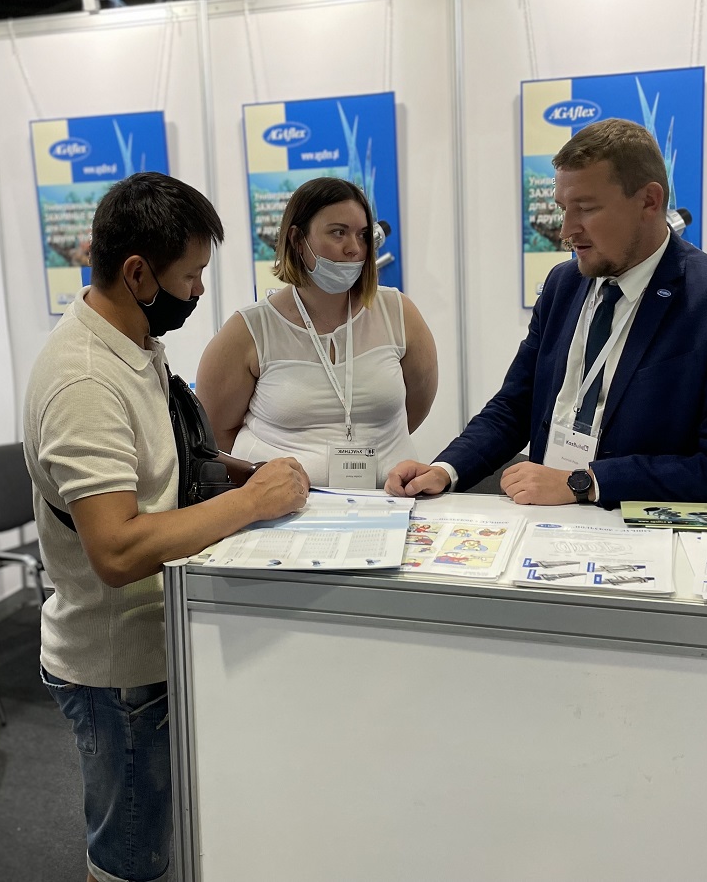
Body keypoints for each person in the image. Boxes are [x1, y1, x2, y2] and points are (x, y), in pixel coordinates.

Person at [23, 172, 309, 882]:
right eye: (191, 276)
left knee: (165, 840)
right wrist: (252, 503)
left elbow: (153, 467)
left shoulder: (132, 343)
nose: (199, 291)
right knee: (132, 860)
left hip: (155, 643)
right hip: (119, 668)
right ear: (137, 273)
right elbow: (117, 548)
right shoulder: (85, 380)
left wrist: (240, 475)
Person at [386, 118, 707, 508]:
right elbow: (515, 405)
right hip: (547, 519)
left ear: (649, 201)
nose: (566, 230)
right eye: (563, 208)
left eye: (586, 209)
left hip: (641, 534)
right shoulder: (563, 285)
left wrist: (586, 483)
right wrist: (446, 469)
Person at [197, 176, 438, 489]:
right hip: (284, 509)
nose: (354, 248)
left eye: (363, 235)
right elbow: (215, 434)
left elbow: (417, 405)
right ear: (298, 239)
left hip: (389, 499)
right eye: (338, 232)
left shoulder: (398, 313)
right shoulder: (249, 330)